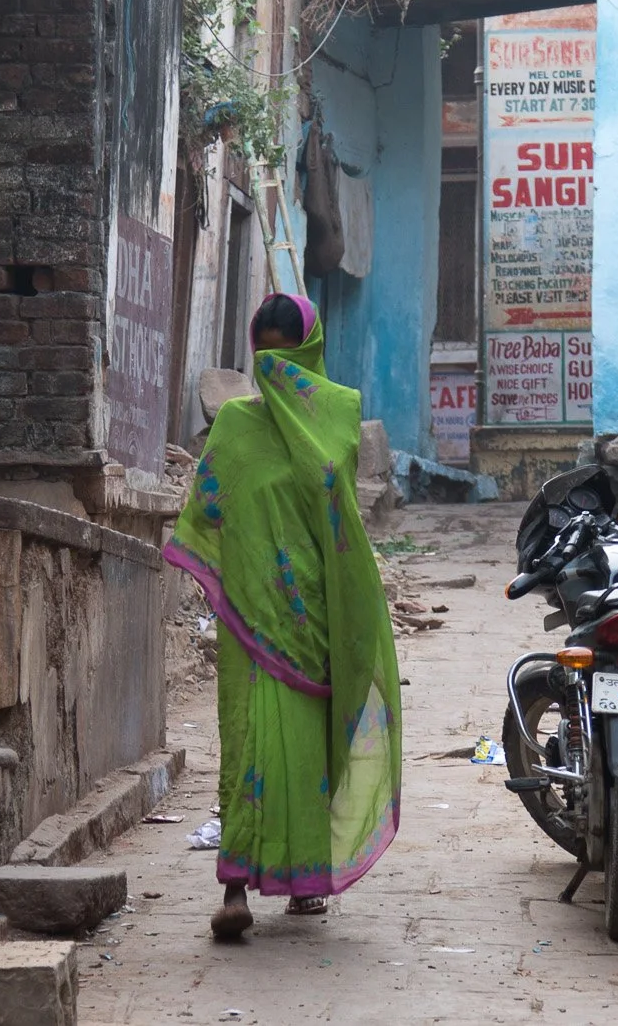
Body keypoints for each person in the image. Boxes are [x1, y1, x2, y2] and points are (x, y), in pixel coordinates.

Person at [164, 293, 401, 940]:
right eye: (262, 348)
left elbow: (339, 518)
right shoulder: (236, 426)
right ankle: (234, 887)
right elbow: (209, 509)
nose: (272, 362)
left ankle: (305, 881)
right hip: (250, 611)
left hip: (317, 614)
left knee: (308, 751)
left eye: (284, 350)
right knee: (248, 745)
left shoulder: (339, 416)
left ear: (310, 351)